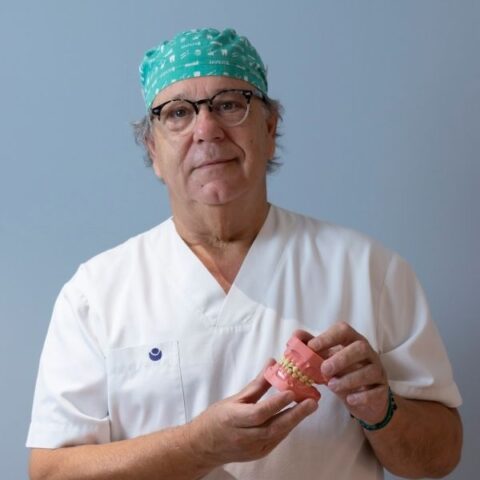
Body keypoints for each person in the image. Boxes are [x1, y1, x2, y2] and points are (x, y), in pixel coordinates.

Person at [27, 28, 463, 480]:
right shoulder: (96, 294)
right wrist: (197, 446)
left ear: (269, 129)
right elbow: (50, 473)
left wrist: (381, 409)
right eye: (178, 113)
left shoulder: (369, 271)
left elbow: (441, 456)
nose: (206, 130)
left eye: (230, 104)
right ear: (153, 150)